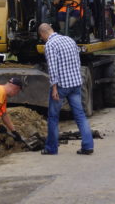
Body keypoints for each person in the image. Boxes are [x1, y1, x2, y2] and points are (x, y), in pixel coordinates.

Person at [38, 23, 94, 155]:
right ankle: (88, 146)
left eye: (42, 37)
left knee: (53, 117)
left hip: (62, 86)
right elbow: (77, 62)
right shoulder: (69, 40)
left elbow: (52, 68)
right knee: (80, 115)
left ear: (43, 34)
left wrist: (54, 88)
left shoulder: (50, 45)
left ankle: (51, 148)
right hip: (75, 84)